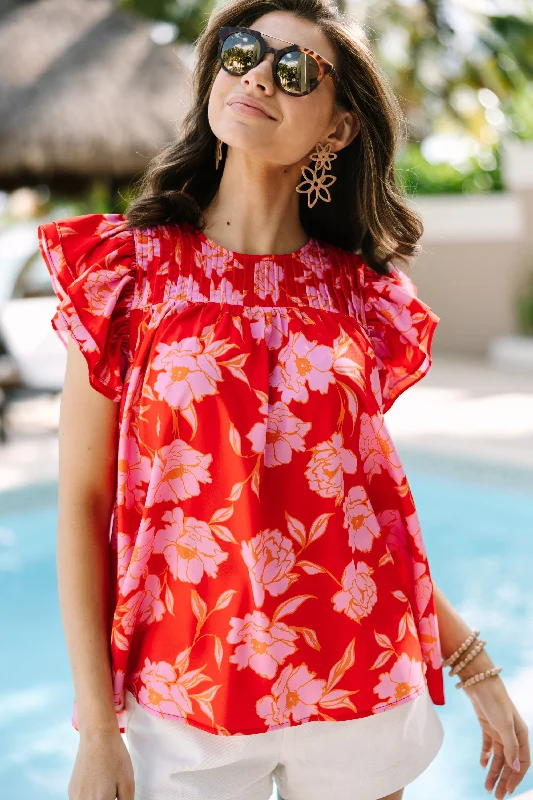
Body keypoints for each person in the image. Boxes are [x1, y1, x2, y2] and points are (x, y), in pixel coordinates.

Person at [37, 1, 530, 799]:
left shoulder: (363, 299)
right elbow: (83, 505)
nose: (259, 75)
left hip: (357, 686)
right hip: (182, 698)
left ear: (336, 129)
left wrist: (473, 663)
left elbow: (367, 517)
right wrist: (98, 731)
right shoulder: (124, 273)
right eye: (242, 52)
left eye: (294, 70)